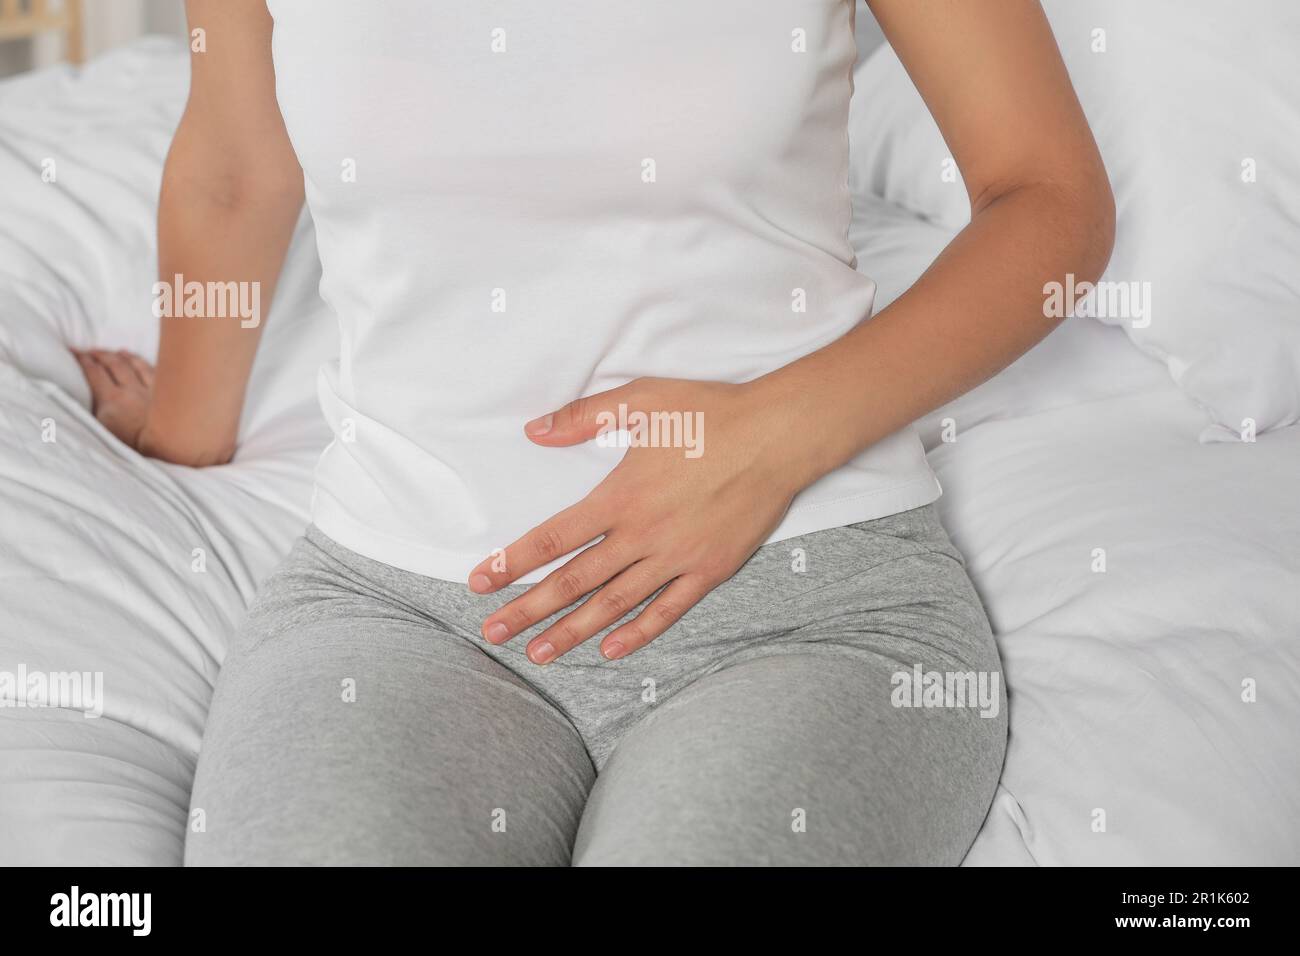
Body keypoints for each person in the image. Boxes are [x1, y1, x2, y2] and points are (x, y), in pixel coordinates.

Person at [75, 0, 1114, 865]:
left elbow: (1048, 196)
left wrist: (774, 437)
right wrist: (179, 438)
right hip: (398, 605)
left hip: (805, 599)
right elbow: (236, 164)